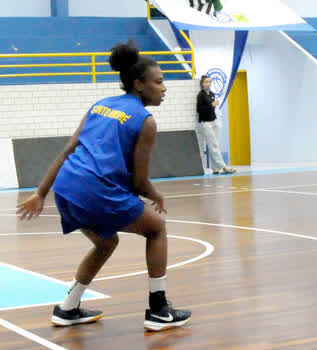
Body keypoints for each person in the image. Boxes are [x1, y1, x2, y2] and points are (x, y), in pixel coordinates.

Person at [16, 41, 192, 332]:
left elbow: (67, 150)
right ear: (138, 84)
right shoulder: (145, 120)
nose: (164, 88)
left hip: (67, 188)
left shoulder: (100, 105)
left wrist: (40, 193)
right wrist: (156, 194)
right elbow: (139, 181)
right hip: (96, 190)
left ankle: (68, 308)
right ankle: (159, 310)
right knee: (156, 228)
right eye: (159, 82)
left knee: (106, 243)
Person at [196, 75, 236, 175]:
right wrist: (211, 105)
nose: (208, 84)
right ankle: (224, 167)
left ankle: (215, 168)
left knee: (216, 144)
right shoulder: (201, 95)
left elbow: (212, 109)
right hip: (205, 123)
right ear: (202, 84)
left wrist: (214, 109)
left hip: (213, 121)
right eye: (206, 82)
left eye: (209, 82)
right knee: (213, 145)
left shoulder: (212, 94)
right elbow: (199, 110)